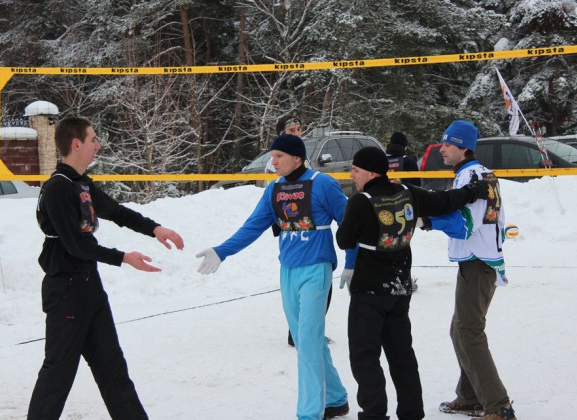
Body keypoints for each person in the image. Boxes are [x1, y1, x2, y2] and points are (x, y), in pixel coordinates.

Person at [28, 116, 185, 419]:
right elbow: (76, 245)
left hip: (89, 288)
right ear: (76, 144)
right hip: (66, 292)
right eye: (93, 139)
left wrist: (155, 229)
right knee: (58, 375)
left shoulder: (81, 184)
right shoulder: (58, 188)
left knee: (114, 371)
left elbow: (116, 212)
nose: (98, 145)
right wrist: (123, 257)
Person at [196, 133, 353, 420]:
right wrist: (221, 251)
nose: (273, 161)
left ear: (297, 158)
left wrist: (352, 264)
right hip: (288, 270)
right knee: (306, 339)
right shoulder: (274, 189)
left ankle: (309, 413)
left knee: (307, 340)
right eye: (272, 156)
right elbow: (252, 226)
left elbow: (350, 224)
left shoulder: (324, 184)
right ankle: (336, 398)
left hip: (316, 268)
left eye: (279, 156)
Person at [335, 146, 488, 420]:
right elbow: (445, 201)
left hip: (368, 292)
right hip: (399, 290)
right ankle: (412, 413)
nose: (351, 175)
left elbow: (344, 240)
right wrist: (473, 191)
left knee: (364, 356)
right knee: (402, 355)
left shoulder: (360, 201)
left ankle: (374, 414)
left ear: (371, 173)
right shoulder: (407, 193)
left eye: (355, 170)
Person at [420, 120, 515, 420]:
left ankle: (498, 405)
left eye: (448, 144)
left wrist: (427, 221)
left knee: (468, 331)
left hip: (478, 262)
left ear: (464, 148)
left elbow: (465, 224)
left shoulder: (470, 176)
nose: (442, 148)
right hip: (481, 259)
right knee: (460, 329)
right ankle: (470, 397)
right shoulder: (480, 173)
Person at [272, 115, 334, 348]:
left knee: (317, 291)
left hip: (312, 241)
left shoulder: (304, 160)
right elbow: (276, 195)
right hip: (292, 230)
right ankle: (300, 333)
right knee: (301, 292)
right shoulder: (279, 160)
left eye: (299, 128)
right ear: (281, 133)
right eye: (291, 130)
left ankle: (307, 333)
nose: (297, 133)